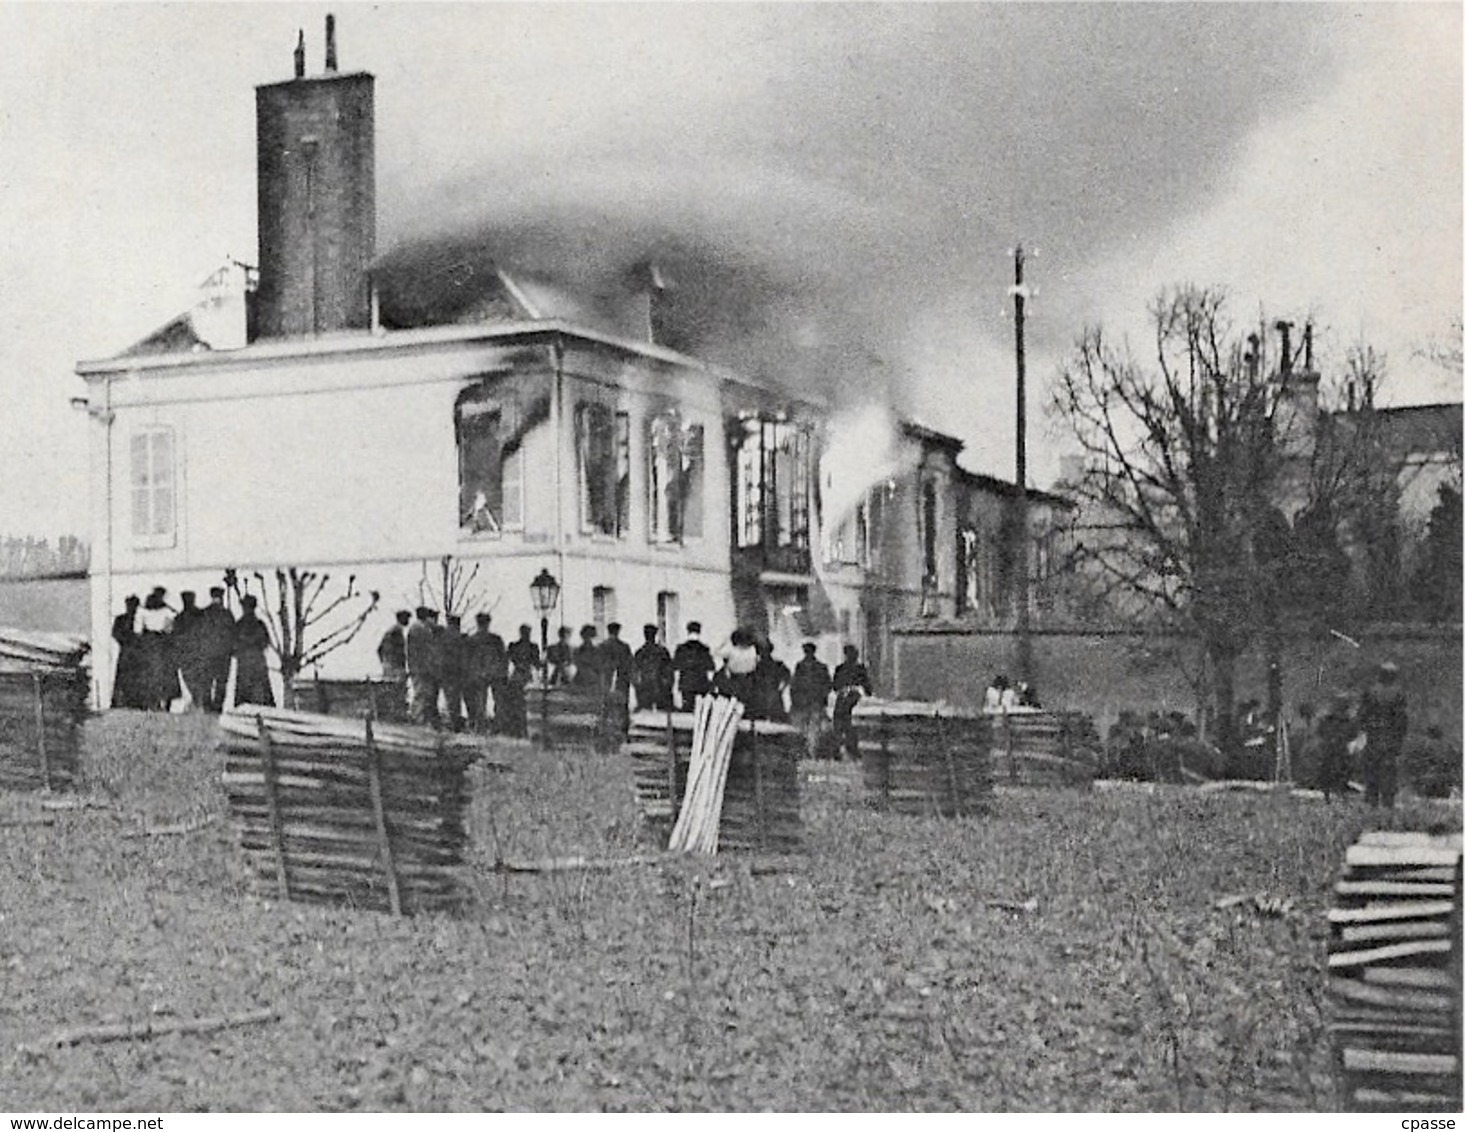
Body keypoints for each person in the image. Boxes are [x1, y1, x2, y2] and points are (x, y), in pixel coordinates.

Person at [1358, 661, 1408, 808]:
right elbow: (1401, 719)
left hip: (1373, 736)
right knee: (1388, 771)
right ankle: (1388, 803)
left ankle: (1372, 802)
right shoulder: (1398, 693)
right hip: (1390, 738)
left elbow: (1362, 715)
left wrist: (1365, 731)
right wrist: (1399, 738)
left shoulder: (1370, 691)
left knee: (1372, 770)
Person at [139, 588, 179, 711]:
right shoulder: (167, 611)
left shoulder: (143, 612)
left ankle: (152, 702)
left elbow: (138, 630)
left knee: (150, 672)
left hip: (149, 643)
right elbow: (170, 628)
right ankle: (165, 701)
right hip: (162, 643)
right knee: (165, 672)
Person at [465, 612, 506, 734]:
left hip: (479, 674)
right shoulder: (495, 639)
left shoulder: (472, 640)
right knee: (497, 702)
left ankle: (481, 727)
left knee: (480, 702)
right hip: (494, 674)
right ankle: (496, 727)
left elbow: (468, 659)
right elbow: (503, 658)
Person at [790, 641, 833, 757]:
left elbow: (794, 685)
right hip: (814, 702)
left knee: (805, 727)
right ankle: (811, 750)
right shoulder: (821, 667)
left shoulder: (800, 666)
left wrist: (795, 700)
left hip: (805, 702)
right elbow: (828, 685)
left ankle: (808, 751)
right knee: (813, 727)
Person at [198, 587, 237, 712]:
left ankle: (207, 707)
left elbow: (199, 634)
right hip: (223, 654)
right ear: (221, 597)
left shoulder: (204, 613)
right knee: (221, 682)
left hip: (207, 653)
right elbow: (232, 634)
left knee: (206, 682)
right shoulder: (227, 614)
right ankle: (218, 707)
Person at [831, 644, 873, 760]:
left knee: (842, 724)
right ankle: (847, 748)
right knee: (846, 724)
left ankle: (841, 748)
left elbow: (835, 686)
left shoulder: (841, 669)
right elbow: (868, 688)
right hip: (852, 699)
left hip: (847, 699)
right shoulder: (859, 669)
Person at [232, 595, 275, 708]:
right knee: (263, 698)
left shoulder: (238, 625)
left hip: (244, 665)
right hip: (258, 663)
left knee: (243, 700)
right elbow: (266, 643)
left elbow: (233, 647)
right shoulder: (260, 624)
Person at [597, 622, 636, 742]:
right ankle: (623, 733)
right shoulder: (624, 647)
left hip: (606, 682)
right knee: (622, 708)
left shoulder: (602, 646)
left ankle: (604, 733)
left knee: (604, 708)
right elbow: (630, 666)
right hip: (621, 683)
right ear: (618, 632)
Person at [1315, 691, 1354, 802]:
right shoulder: (1328, 719)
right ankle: (1327, 794)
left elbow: (1352, 734)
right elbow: (1320, 731)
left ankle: (1339, 793)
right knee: (1327, 770)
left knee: (1342, 771)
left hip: (1341, 748)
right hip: (1329, 747)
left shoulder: (1348, 720)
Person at [502, 625, 540, 739]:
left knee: (521, 706)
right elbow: (537, 664)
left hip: (521, 677)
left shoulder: (519, 646)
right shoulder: (529, 646)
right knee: (519, 705)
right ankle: (519, 730)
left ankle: (520, 731)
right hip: (521, 677)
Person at [405, 606, 440, 728]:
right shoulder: (421, 629)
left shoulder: (417, 628)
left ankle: (419, 719)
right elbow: (427, 651)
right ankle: (417, 719)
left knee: (422, 694)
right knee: (421, 694)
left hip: (418, 667)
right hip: (421, 668)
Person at [172, 591, 207, 709]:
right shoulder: (201, 615)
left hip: (186, 654)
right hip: (197, 653)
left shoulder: (179, 618)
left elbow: (175, 638)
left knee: (190, 679)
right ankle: (199, 702)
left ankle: (197, 702)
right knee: (197, 679)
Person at [110, 595, 146, 710]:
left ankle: (136, 701)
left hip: (137, 653)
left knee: (137, 676)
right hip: (126, 652)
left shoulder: (140, 620)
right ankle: (121, 701)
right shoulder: (120, 619)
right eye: (130, 605)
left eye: (134, 605)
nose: (132, 608)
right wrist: (126, 641)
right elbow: (115, 633)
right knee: (123, 676)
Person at [713, 627, 760, 710]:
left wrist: (724, 641)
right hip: (748, 679)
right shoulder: (753, 650)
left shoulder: (732, 650)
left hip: (734, 680)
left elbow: (716, 652)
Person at [673, 621, 715, 709]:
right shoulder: (704, 649)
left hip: (686, 684)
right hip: (701, 685)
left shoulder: (681, 649)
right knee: (700, 711)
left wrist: (676, 686)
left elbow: (676, 669)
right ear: (699, 632)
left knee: (687, 710)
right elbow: (710, 670)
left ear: (688, 631)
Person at [632, 624, 674, 713]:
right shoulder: (663, 652)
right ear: (655, 635)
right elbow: (669, 673)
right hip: (660, 691)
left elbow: (635, 676)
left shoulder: (640, 653)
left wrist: (638, 690)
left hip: (644, 692)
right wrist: (667, 688)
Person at [439, 614, 468, 732]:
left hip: (446, 673)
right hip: (458, 672)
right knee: (455, 699)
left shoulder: (442, 637)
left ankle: (452, 722)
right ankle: (455, 723)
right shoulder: (461, 638)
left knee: (450, 698)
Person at [751, 638, 791, 722]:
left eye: (764, 650)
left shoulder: (777, 664)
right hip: (760, 698)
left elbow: (787, 676)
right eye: (760, 650)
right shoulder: (755, 666)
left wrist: (781, 689)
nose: (761, 653)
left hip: (772, 698)